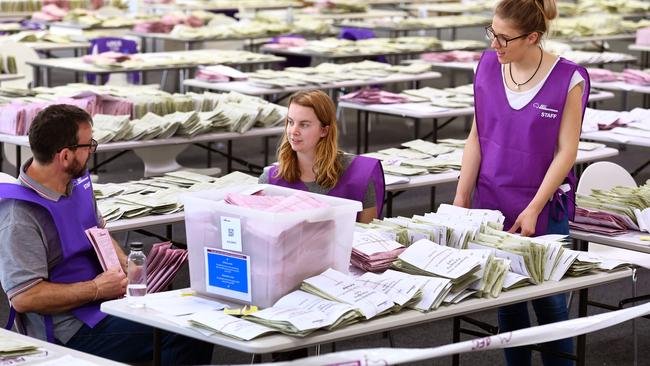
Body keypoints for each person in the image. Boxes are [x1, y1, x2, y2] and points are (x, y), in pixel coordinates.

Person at [0, 104, 213, 365]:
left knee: (196, 314)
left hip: (106, 303)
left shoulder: (74, 183)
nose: (92, 151)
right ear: (65, 156)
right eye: (88, 146)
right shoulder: (19, 216)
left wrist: (124, 265)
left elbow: (97, 231)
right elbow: (24, 297)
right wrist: (97, 289)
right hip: (70, 331)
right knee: (188, 332)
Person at [453, 0, 590, 365]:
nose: (494, 44)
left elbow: (566, 152)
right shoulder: (486, 67)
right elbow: (477, 137)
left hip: (542, 204)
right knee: (506, 298)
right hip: (492, 199)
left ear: (532, 37)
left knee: (548, 299)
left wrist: (534, 209)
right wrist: (461, 197)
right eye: (491, 33)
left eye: (503, 38)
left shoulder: (568, 79)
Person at [259, 90, 385, 223]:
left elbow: (368, 238)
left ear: (324, 130)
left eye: (304, 125)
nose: (293, 131)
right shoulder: (269, 181)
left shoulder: (360, 177)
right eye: (290, 122)